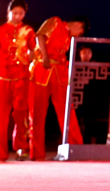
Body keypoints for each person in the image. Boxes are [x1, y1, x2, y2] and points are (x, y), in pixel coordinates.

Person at [29, 15, 88, 160]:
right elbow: (40, 35)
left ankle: (74, 147)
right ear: (78, 25)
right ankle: (37, 153)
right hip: (43, 69)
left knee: (67, 110)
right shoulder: (55, 22)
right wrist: (45, 56)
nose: (77, 36)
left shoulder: (68, 37)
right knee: (37, 112)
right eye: (80, 33)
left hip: (59, 73)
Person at [0, 0, 35, 163]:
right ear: (8, 12)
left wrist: (26, 63)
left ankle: (21, 147)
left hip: (22, 76)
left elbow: (33, 51)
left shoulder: (28, 31)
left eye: (20, 14)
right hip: (3, 76)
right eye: (14, 13)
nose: (17, 16)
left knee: (21, 113)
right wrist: (1, 65)